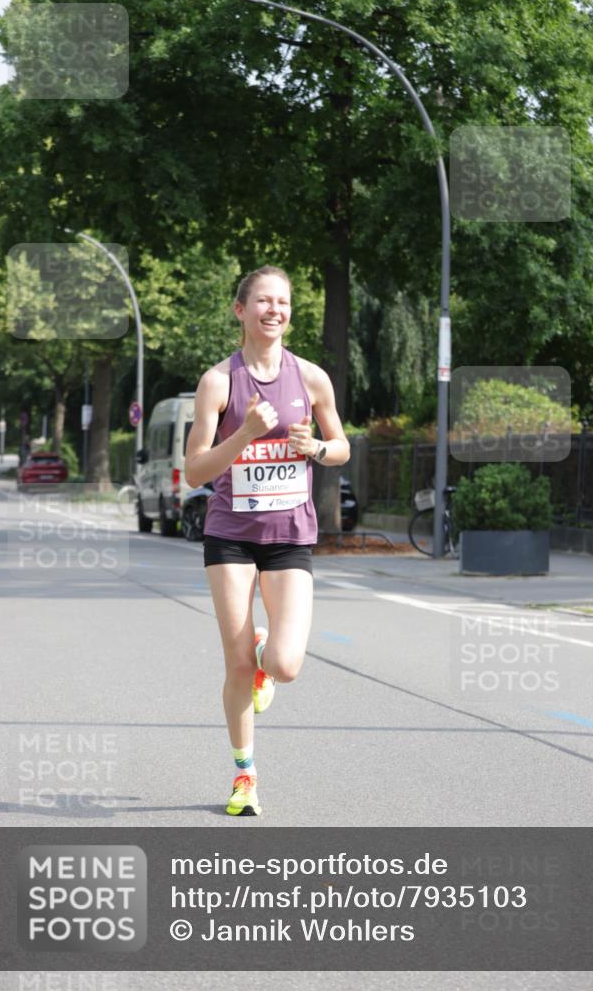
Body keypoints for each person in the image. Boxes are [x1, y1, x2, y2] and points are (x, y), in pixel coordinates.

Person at [185, 266, 350, 816]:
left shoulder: (312, 378)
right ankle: (245, 776)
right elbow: (193, 470)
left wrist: (317, 450)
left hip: (290, 536)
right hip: (230, 534)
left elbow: (342, 445)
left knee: (285, 665)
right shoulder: (219, 382)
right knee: (234, 668)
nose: (273, 310)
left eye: (282, 302)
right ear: (240, 310)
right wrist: (245, 433)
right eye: (262, 301)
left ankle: (264, 652)